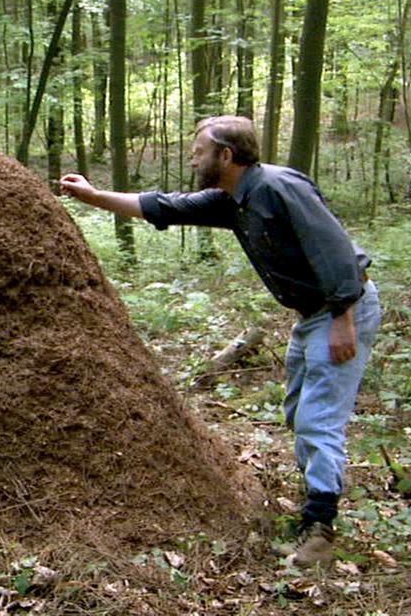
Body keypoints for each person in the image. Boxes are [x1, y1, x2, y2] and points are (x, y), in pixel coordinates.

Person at [60, 115, 380, 567]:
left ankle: (320, 529)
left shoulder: (277, 187)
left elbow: (333, 250)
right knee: (297, 412)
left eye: (198, 151)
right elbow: (162, 206)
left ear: (226, 155)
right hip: (312, 315)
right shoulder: (232, 201)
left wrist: (343, 319)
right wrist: (94, 197)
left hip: (340, 309)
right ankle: (315, 500)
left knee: (316, 418)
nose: (193, 158)